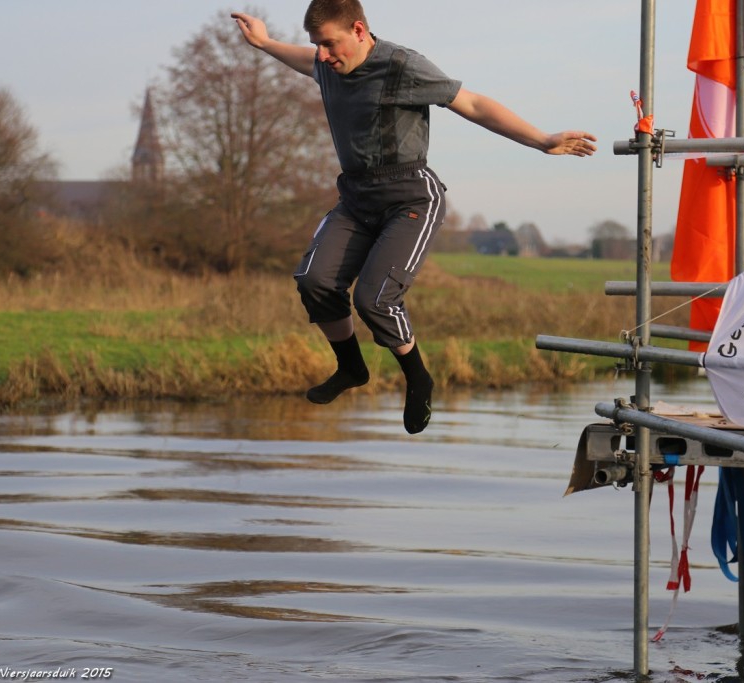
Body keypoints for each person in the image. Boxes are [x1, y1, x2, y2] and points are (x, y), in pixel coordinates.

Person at [232, 0, 596, 434]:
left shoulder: (401, 66)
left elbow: (473, 103)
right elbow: (304, 59)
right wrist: (265, 43)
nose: (322, 55)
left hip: (410, 198)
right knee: (314, 280)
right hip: (356, 198)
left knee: (374, 299)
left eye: (329, 44)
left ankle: (418, 378)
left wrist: (542, 140)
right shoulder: (327, 63)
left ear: (359, 30)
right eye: (317, 46)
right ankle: (351, 368)